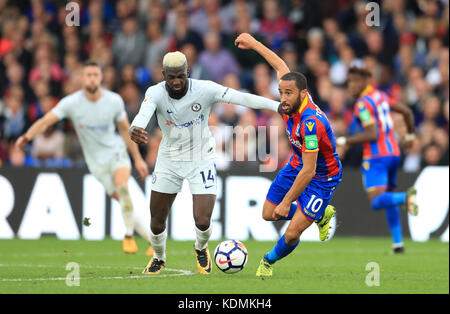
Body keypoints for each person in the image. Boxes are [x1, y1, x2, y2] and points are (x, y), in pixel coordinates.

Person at [128, 51, 281, 275]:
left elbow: (241, 98)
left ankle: (200, 248)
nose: (177, 81)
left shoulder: (205, 89)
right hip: (169, 158)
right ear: (163, 75)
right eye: (171, 77)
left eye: (181, 75)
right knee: (157, 221)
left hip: (201, 157)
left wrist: (276, 106)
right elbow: (143, 115)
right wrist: (135, 129)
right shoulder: (155, 93)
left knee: (202, 219)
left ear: (188, 72)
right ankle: (159, 258)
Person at [15, 61, 152, 255]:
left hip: (116, 153)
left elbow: (124, 130)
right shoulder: (71, 103)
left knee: (123, 188)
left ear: (101, 78)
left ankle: (128, 236)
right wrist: (27, 136)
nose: (92, 78)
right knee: (124, 202)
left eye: (96, 75)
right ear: (82, 78)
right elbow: (46, 121)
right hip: (96, 164)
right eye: (88, 75)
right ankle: (152, 241)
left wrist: (138, 159)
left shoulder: (113, 100)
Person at [235, 33, 342, 278]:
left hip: (322, 177)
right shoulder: (288, 104)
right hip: (297, 164)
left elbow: (310, 171)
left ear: (303, 95)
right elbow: (280, 65)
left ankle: (267, 261)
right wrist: (254, 44)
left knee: (292, 233)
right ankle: (319, 214)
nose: (283, 99)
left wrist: (287, 203)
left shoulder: (310, 124)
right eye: (281, 92)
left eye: (288, 94)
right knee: (267, 214)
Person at [336, 66, 419, 253]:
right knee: (389, 199)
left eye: (354, 82)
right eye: (349, 82)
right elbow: (406, 112)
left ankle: (406, 197)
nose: (351, 86)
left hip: (376, 156)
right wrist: (410, 137)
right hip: (394, 153)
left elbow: (372, 134)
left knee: (376, 201)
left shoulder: (362, 104)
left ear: (364, 82)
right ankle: (398, 244)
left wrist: (344, 140)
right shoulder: (381, 96)